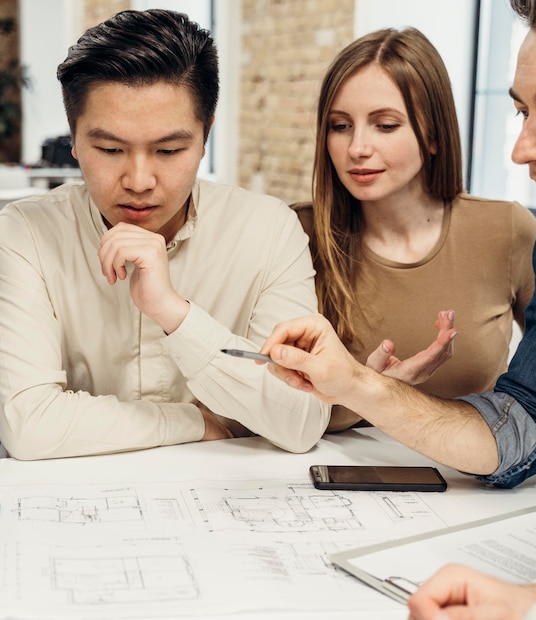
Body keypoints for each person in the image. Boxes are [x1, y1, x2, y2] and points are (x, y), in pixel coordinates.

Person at [260, 0, 536, 616]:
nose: (521, 149)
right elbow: (521, 424)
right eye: (520, 110)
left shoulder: (511, 229)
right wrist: (356, 384)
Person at [0, 8, 329, 460]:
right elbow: (30, 427)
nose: (139, 180)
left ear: (205, 135)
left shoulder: (268, 229)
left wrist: (175, 314)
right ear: (73, 139)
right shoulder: (25, 234)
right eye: (110, 149)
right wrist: (197, 421)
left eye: (169, 149)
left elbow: (300, 421)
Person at [292, 27, 536, 432]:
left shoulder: (506, 230)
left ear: (434, 136)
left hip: (474, 485)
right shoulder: (299, 233)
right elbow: (270, 406)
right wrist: (373, 391)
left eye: (385, 126)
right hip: (330, 479)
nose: (357, 148)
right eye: (340, 126)